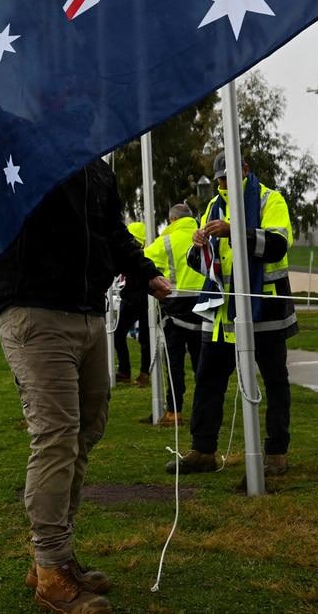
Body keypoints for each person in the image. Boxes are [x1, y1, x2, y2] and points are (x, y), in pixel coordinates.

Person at [0, 15, 172, 614]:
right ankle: (50, 567)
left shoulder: (96, 166)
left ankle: (55, 559)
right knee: (57, 436)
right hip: (36, 314)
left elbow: (111, 231)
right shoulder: (24, 147)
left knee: (84, 434)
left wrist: (148, 275)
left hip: (90, 316)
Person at [167, 151, 296, 481]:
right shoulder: (212, 207)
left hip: (264, 309)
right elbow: (202, 263)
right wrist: (198, 246)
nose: (225, 183)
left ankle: (276, 454)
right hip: (221, 313)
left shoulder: (270, 200)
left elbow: (279, 245)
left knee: (275, 382)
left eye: (230, 175)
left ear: (246, 169)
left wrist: (233, 231)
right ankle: (203, 450)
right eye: (221, 178)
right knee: (208, 379)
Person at [142, 203, 206, 425]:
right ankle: (204, 410)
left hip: (174, 307)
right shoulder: (202, 235)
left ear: (172, 220)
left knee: (174, 363)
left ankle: (174, 411)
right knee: (202, 362)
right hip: (204, 306)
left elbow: (141, 264)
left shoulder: (166, 241)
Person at [113, 222, 152, 386]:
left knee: (145, 338)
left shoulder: (143, 257)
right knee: (119, 335)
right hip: (130, 299)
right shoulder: (131, 255)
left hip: (142, 300)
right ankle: (125, 371)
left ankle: (143, 373)